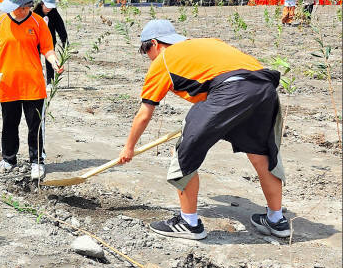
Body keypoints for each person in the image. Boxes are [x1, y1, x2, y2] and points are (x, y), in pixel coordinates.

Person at [119, 19, 286, 241]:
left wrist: (128, 148)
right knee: (260, 154)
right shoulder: (207, 43)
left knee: (183, 154)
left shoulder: (163, 60)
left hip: (230, 89)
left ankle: (189, 223)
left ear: (154, 44)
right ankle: (276, 219)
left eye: (145, 50)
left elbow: (144, 113)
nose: (148, 55)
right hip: (264, 87)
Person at [0, 0, 62, 180]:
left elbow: (47, 49)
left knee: (34, 125)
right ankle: (8, 159)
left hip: (32, 85)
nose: (15, 11)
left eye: (19, 8)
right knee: (9, 123)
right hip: (7, 83)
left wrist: (54, 61)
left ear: (27, 6)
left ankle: (37, 162)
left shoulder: (38, 23)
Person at [32, 0, 67, 86]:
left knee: (50, 61)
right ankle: (36, 80)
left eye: (51, 6)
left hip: (49, 41)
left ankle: (50, 82)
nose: (49, 8)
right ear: (42, 3)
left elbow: (61, 27)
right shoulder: (35, 14)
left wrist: (65, 42)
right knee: (35, 61)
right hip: (36, 42)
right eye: (47, 6)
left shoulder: (54, 13)